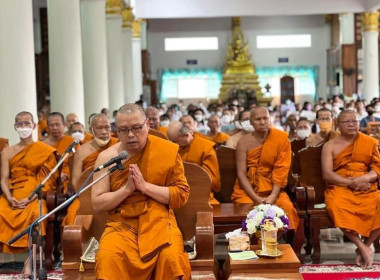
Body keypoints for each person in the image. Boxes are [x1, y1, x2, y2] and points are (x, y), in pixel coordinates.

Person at [92, 104, 190, 279]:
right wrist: (126, 190)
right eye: (123, 130)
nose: (130, 135)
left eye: (136, 128)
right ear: (116, 130)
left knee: (171, 258)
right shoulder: (107, 158)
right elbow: (98, 203)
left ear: (147, 124)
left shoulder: (166, 151)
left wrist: (144, 187)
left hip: (159, 221)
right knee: (108, 257)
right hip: (121, 225)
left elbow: (181, 195)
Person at [0, 112, 58, 276]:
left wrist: (29, 198)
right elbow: (3, 179)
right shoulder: (7, 152)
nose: (23, 127)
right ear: (15, 127)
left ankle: (31, 260)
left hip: (34, 195)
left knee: (37, 214)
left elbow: (46, 181)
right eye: (20, 124)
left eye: (27, 123)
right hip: (11, 194)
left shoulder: (44, 150)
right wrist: (9, 197)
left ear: (34, 125)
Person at [322, 109, 380, 269]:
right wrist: (352, 183)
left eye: (354, 121)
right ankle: (362, 247)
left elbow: (377, 168)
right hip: (340, 186)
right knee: (335, 205)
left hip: (366, 185)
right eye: (346, 122)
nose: (351, 124)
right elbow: (327, 174)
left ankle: (366, 245)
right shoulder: (330, 146)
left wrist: (365, 178)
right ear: (338, 125)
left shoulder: (369, 142)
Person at [231, 106, 299, 231]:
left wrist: (273, 195)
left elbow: (281, 170)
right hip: (248, 191)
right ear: (250, 122)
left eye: (265, 118)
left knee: (287, 208)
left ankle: (274, 246)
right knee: (252, 214)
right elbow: (241, 174)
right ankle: (259, 247)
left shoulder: (281, 138)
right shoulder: (243, 142)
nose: (262, 122)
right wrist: (256, 198)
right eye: (258, 119)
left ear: (270, 119)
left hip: (274, 190)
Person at [62, 114, 118, 226]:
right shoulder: (82, 151)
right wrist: (89, 195)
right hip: (87, 195)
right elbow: (75, 181)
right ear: (91, 129)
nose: (104, 132)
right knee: (73, 214)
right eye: (99, 128)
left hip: (114, 194)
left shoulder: (118, 145)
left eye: (107, 127)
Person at [167, 121, 221, 205]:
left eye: (175, 141)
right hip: (177, 192)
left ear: (186, 135)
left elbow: (212, 181)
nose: (173, 144)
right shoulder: (175, 148)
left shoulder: (206, 148)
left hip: (200, 194)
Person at [43, 112, 77, 192]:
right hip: (49, 180)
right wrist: (56, 175)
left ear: (64, 125)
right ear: (47, 127)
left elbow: (77, 164)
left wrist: (67, 176)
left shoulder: (72, 142)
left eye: (57, 124)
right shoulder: (42, 145)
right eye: (52, 125)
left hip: (69, 181)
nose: (55, 128)